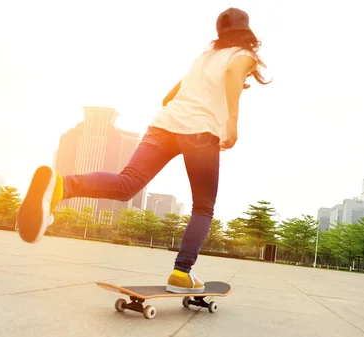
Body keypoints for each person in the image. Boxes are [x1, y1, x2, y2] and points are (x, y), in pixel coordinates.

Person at [16, 7, 270, 294]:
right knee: (203, 207)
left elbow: (168, 97)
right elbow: (233, 75)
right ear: (245, 32)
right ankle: (181, 272)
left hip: (163, 126)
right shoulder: (241, 56)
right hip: (200, 133)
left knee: (127, 184)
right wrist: (231, 123)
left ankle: (62, 184)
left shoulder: (205, 58)